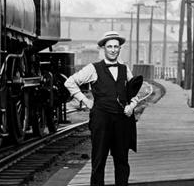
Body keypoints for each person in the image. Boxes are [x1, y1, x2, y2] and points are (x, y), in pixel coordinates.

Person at [62, 31, 150, 185]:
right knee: (99, 160)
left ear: (120, 49)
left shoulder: (124, 69)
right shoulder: (93, 68)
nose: (113, 50)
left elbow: (133, 92)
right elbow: (70, 82)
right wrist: (85, 101)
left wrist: (132, 105)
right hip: (101, 120)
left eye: (116, 46)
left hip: (122, 121)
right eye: (110, 46)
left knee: (122, 161)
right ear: (103, 48)